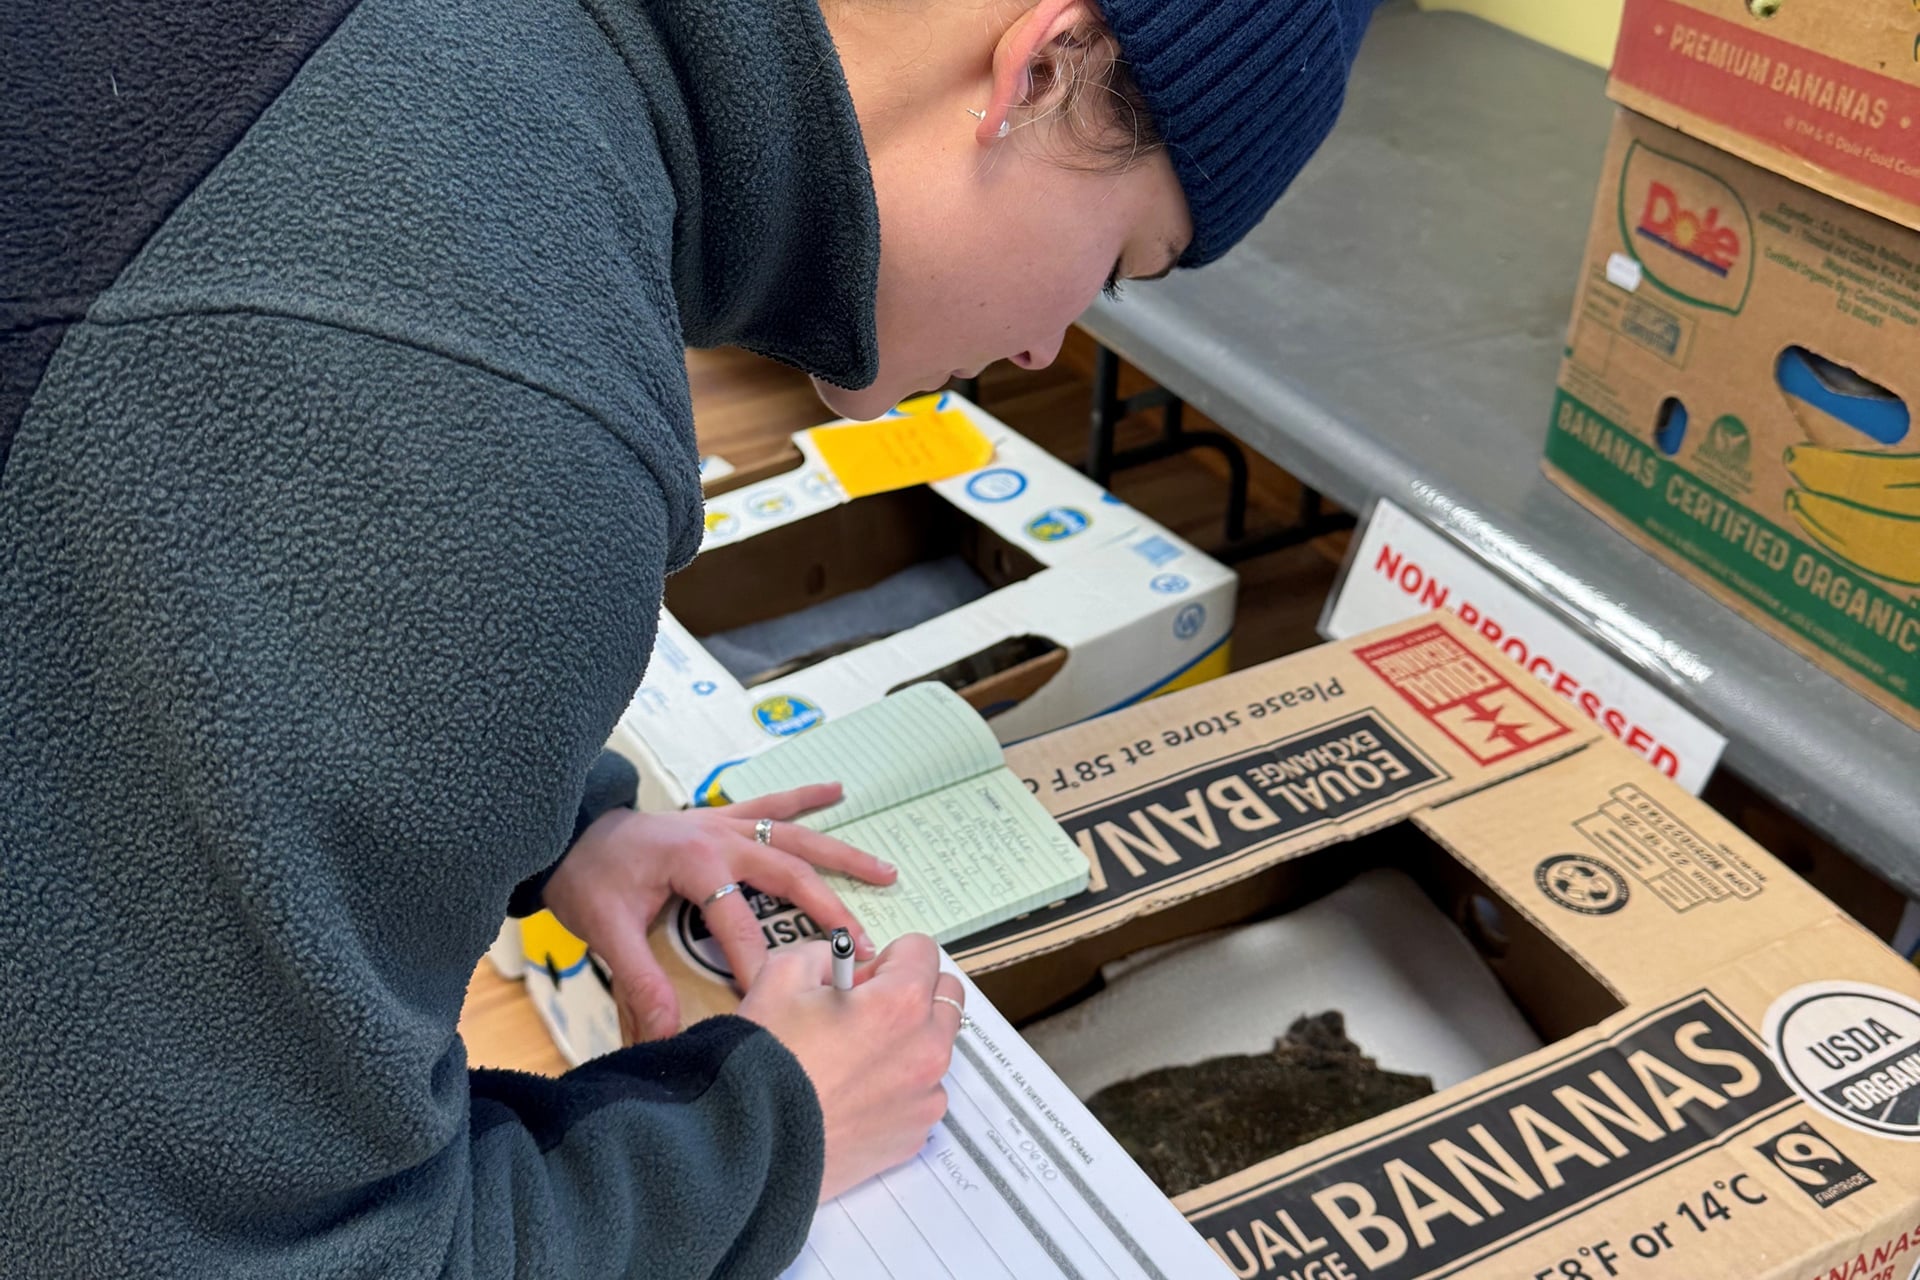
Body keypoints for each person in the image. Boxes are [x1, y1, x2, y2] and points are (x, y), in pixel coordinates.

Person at [0, 0, 1379, 1273]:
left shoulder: (482, 104)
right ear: (1035, 68)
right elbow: (226, 1255)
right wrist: (767, 1134)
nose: (1045, 345)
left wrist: (556, 820)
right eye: (1119, 264)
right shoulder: (493, 404)